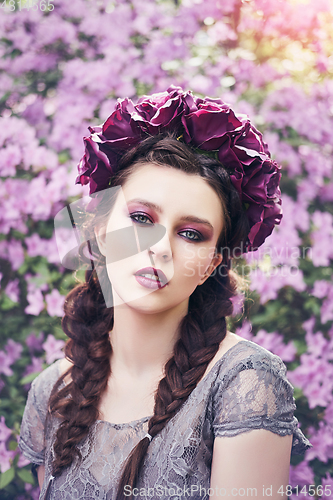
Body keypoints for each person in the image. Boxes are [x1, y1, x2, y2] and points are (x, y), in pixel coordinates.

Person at [19, 86, 311, 500]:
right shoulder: (54, 392)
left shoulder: (243, 384)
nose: (158, 246)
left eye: (191, 233)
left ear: (212, 262)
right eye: (141, 218)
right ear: (101, 228)